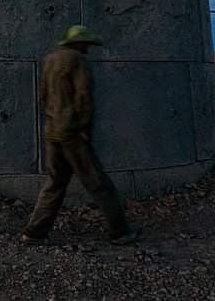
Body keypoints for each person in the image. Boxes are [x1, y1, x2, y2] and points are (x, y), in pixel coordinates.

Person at [21, 25, 141, 246]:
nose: (88, 47)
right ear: (79, 43)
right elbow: (84, 98)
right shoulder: (78, 61)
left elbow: (43, 95)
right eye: (86, 43)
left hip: (52, 131)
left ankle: (34, 232)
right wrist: (84, 129)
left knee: (55, 183)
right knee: (99, 184)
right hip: (72, 134)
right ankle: (120, 232)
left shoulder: (50, 59)